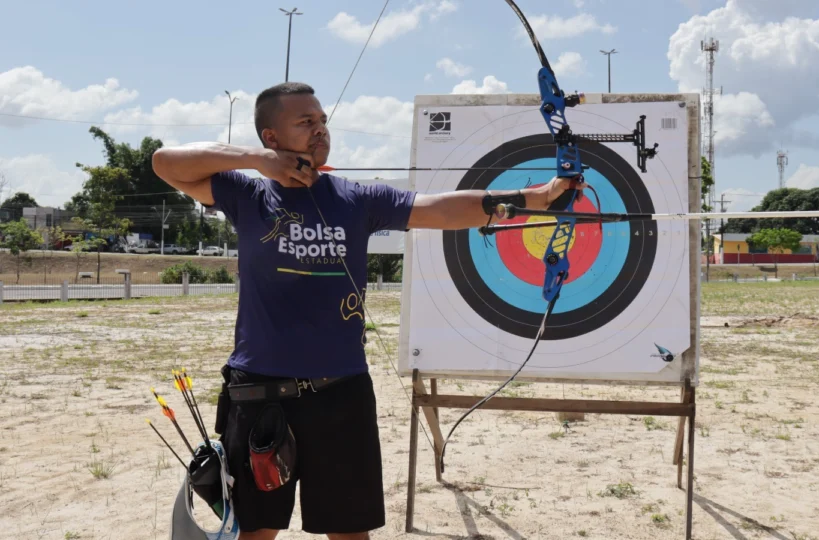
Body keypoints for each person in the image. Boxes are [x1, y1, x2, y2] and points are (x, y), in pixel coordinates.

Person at [151, 81, 583, 540]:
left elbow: (438, 210)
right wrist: (256, 161)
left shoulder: (358, 198)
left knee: (351, 533)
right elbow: (165, 162)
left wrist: (536, 198)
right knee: (256, 531)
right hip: (260, 395)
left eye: (322, 121)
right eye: (305, 122)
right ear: (271, 136)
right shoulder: (248, 195)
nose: (320, 130)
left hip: (341, 394)